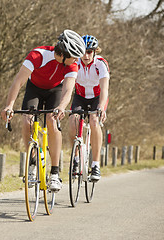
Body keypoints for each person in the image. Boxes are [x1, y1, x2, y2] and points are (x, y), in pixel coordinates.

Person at [1, 29, 86, 191]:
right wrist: (9, 105)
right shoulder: (37, 55)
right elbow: (18, 83)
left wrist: (61, 107)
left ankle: (55, 173)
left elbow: (68, 90)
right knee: (27, 120)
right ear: (65, 54)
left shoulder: (72, 65)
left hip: (55, 90)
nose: (76, 60)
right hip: (35, 89)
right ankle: (32, 164)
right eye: (74, 56)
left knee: (52, 121)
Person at [68, 35, 110, 181]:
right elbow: (67, 83)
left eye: (90, 51)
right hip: (80, 96)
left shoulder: (101, 64)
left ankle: (96, 164)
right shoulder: (74, 63)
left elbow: (105, 89)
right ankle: (76, 157)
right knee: (73, 119)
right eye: (83, 52)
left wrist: (101, 108)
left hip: (97, 97)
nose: (86, 55)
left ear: (95, 52)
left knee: (94, 121)